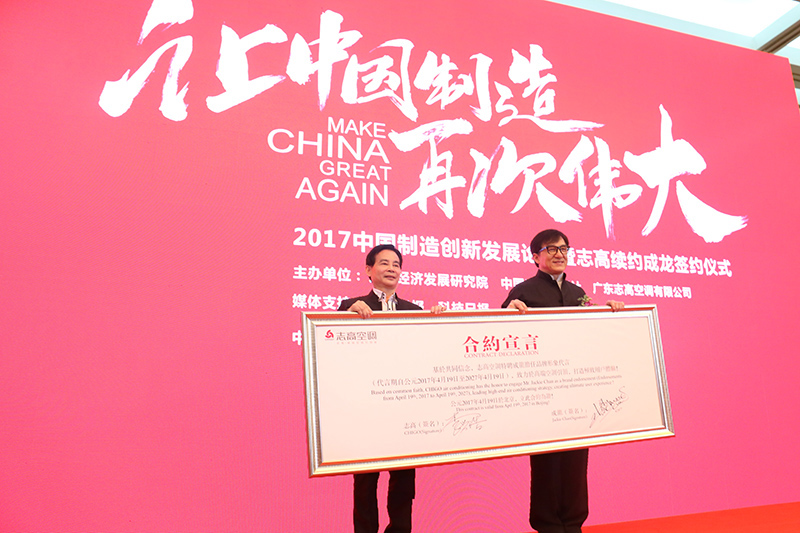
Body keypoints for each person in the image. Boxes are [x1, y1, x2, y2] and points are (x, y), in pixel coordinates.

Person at [501, 229, 624, 533]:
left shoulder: (577, 294)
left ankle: (573, 523)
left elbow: (591, 339)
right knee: (547, 464)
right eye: (551, 249)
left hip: (577, 392)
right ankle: (548, 525)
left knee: (576, 463)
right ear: (535, 257)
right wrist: (507, 311)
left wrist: (610, 313)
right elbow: (502, 336)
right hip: (541, 394)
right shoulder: (522, 292)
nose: (559, 254)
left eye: (564, 248)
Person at [338, 244, 445, 533]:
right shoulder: (351, 306)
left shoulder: (415, 311)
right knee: (365, 480)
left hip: (403, 409)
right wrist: (347, 313)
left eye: (396, 264)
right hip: (367, 409)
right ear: (368, 269)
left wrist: (438, 322)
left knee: (403, 480)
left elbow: (427, 357)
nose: (391, 269)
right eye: (384, 263)